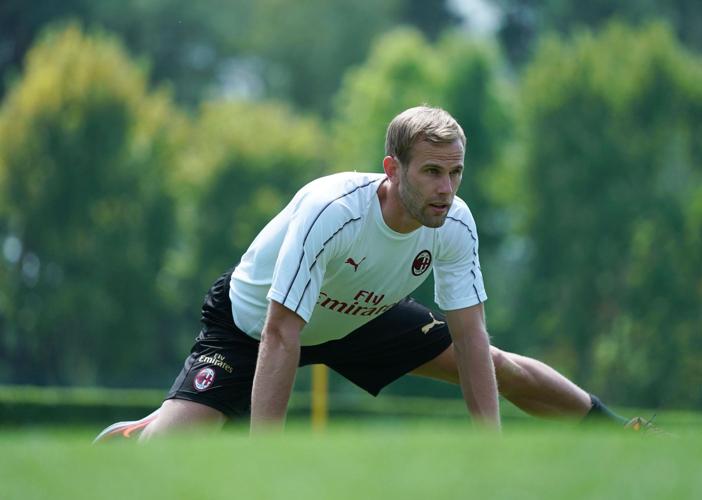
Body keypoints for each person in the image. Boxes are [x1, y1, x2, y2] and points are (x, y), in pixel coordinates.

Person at [95, 106, 653, 442]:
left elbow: (471, 337)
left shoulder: (454, 222)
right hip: (252, 328)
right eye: (432, 172)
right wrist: (264, 465)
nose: (446, 188)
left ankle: (619, 433)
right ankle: (147, 429)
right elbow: (281, 333)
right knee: (168, 454)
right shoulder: (333, 212)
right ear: (392, 168)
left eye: (455, 172)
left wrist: (491, 457)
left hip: (359, 316)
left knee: (494, 361)